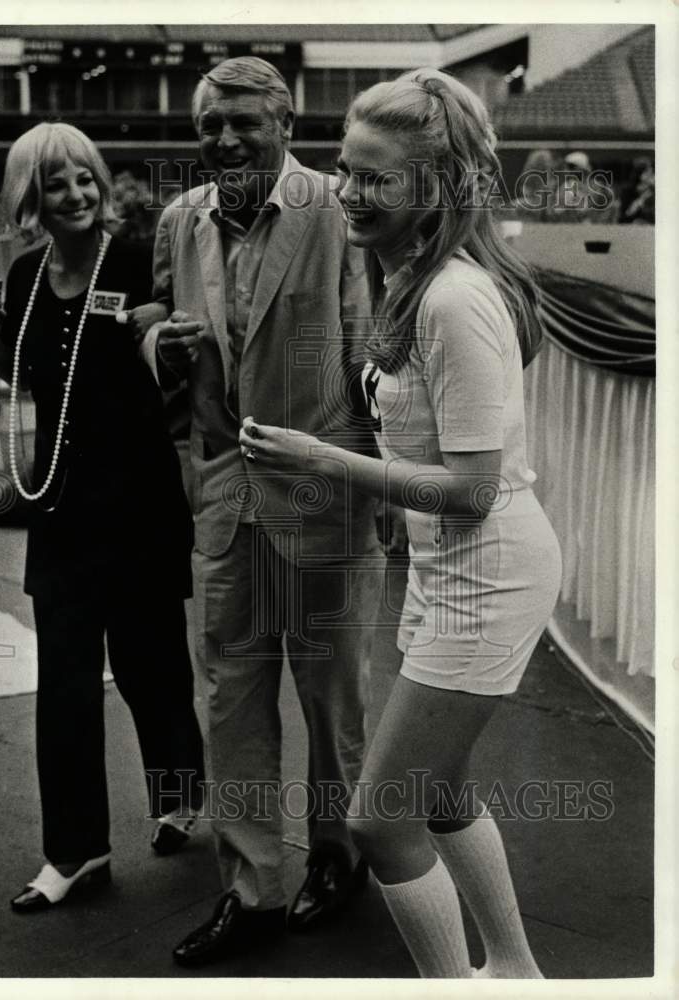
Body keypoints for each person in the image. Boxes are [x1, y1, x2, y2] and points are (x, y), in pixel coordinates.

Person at [239, 68, 562, 978]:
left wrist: (324, 460)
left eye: (375, 179)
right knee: (439, 784)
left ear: (436, 190)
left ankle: (461, 986)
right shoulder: (412, 278)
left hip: (488, 571)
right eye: (345, 169)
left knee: (381, 816)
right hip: (447, 568)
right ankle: (517, 975)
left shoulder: (454, 301)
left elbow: (470, 490)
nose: (348, 192)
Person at [124, 57, 383, 967]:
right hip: (224, 499)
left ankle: (342, 856)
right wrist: (160, 339)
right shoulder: (179, 218)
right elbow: (154, 310)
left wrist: (375, 490)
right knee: (232, 701)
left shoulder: (338, 208)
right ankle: (253, 889)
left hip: (325, 491)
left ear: (284, 125)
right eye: (210, 125)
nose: (226, 139)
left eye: (244, 123)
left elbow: (368, 350)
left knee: (330, 701)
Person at [0, 122, 205, 912]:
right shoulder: (25, 277)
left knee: (150, 668)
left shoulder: (135, 265)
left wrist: (162, 338)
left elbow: (168, 363)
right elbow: (26, 378)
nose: (76, 195)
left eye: (86, 179)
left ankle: (177, 792)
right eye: (58, 183)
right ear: (33, 196)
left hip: (135, 502)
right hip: (59, 503)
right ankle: (75, 850)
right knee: (61, 682)